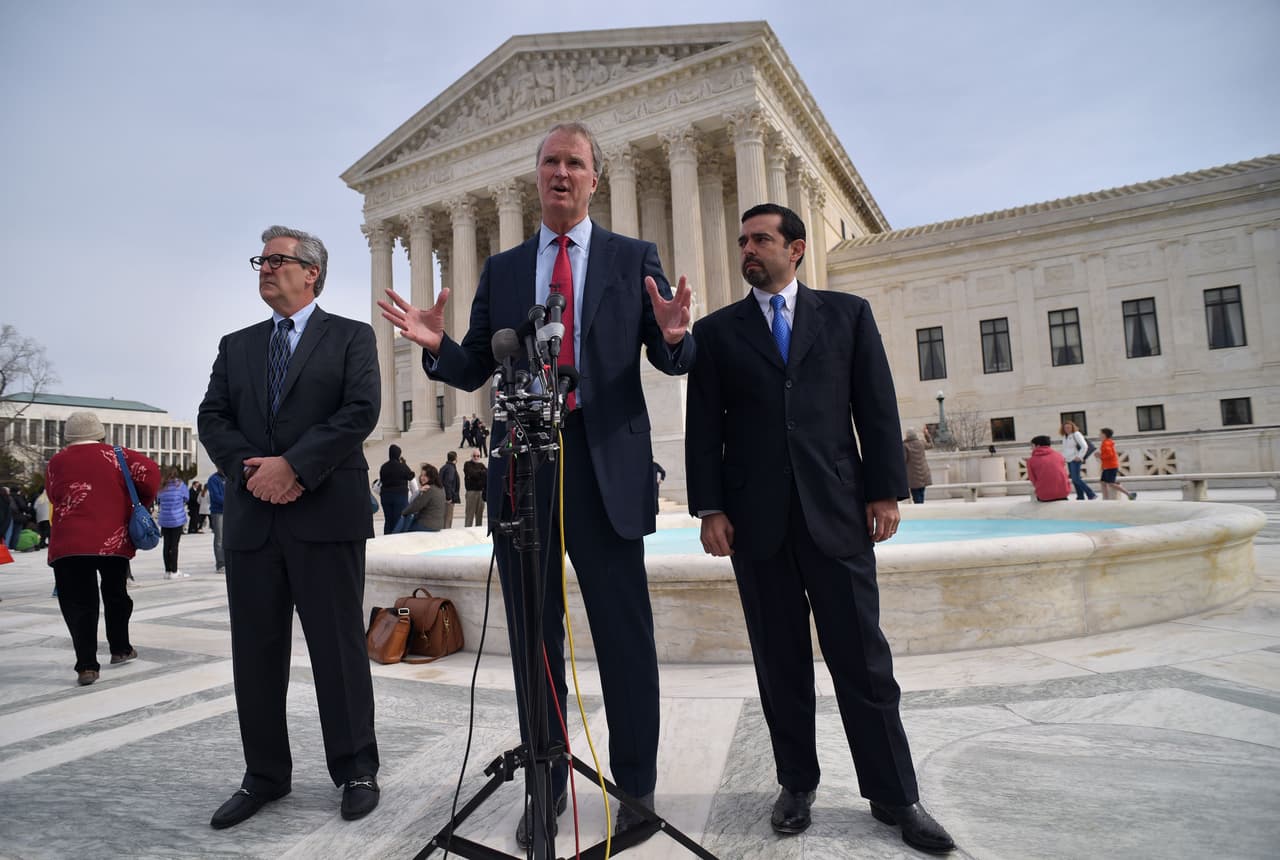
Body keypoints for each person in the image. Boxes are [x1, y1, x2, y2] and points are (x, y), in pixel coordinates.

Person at [378, 120, 695, 845]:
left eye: (574, 163)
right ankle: (545, 783)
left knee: (624, 636)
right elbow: (474, 367)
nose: (560, 172)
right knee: (533, 641)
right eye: (550, 161)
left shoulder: (631, 257)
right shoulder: (506, 269)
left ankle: (636, 790)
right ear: (537, 175)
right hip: (525, 466)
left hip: (604, 464)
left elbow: (668, 356)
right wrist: (436, 345)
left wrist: (676, 337)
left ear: (594, 179)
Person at [685, 203, 955, 854]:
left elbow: (875, 406)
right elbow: (704, 428)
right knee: (780, 666)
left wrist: (885, 490)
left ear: (796, 248)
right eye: (742, 241)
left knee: (864, 662)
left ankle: (895, 795)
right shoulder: (716, 333)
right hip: (757, 527)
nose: (748, 250)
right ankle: (795, 785)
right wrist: (710, 509)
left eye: (761, 239)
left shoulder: (847, 315)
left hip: (837, 514)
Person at [197, 224, 382, 829]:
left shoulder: (351, 337)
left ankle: (356, 769)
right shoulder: (237, 345)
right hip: (254, 519)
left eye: (278, 260)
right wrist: (254, 471)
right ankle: (265, 775)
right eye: (262, 260)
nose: (267, 268)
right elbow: (212, 417)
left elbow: (359, 411)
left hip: (325, 514)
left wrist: (293, 466)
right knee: (255, 653)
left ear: (312, 272)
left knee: (338, 650)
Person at [45, 410, 159, 686]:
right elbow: (151, 475)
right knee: (115, 593)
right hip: (112, 537)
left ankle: (86, 666)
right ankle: (120, 648)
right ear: (100, 433)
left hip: (69, 541)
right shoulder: (118, 455)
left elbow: (53, 494)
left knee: (79, 602)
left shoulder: (56, 461)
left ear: (69, 435)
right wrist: (136, 502)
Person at [156, 468, 189, 580]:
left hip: (165, 519)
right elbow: (186, 498)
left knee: (166, 545)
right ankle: (174, 570)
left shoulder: (161, 487)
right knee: (174, 545)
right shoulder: (180, 485)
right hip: (177, 519)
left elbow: (158, 500)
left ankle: (167, 571)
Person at [378, 444, 414, 535]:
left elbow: (382, 479)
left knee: (388, 520)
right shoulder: (402, 466)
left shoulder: (384, 467)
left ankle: (387, 537)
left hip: (386, 496)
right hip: (400, 496)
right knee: (398, 520)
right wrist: (405, 464)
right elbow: (411, 476)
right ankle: (395, 538)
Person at [399, 464, 447, 532]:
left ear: (431, 476)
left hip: (427, 525)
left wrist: (403, 512)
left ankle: (394, 536)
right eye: (421, 475)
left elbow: (415, 506)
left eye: (425, 475)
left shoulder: (428, 489)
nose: (422, 478)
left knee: (405, 527)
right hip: (438, 524)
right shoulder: (441, 488)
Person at [1027, 435, 1071, 501]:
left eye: (1032, 446)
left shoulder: (1031, 460)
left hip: (1044, 495)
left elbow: (1033, 479)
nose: (1031, 448)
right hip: (1063, 493)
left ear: (1038, 446)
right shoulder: (1059, 456)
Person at [1097, 427, 1137, 500]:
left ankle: (1129, 494)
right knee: (1103, 482)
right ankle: (1105, 498)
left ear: (1104, 435)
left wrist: (1100, 456)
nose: (1099, 435)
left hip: (1110, 466)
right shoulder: (1107, 442)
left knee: (1111, 483)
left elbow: (1110, 455)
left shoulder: (1106, 443)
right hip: (1108, 466)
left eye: (1100, 433)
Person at [1060, 421, 1096, 500]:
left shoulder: (1076, 434)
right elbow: (1065, 449)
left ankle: (1091, 494)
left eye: (1069, 427)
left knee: (1076, 479)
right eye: (1065, 428)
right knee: (1074, 479)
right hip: (1069, 460)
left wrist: (1079, 456)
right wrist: (1063, 458)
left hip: (1075, 459)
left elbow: (1084, 446)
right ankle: (1080, 496)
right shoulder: (1065, 437)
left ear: (1072, 427)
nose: (1067, 429)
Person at [903, 428, 932, 504]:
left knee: (916, 496)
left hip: (913, 477)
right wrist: (926, 435)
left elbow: (904, 459)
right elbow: (931, 445)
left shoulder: (905, 446)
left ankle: (920, 508)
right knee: (921, 494)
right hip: (923, 474)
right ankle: (921, 506)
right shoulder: (921, 443)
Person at [207, 468, 226, 573]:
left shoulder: (228, 477)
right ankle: (221, 563)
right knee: (219, 538)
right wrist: (231, 501)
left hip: (230, 511)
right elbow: (216, 497)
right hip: (219, 512)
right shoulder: (213, 479)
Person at [463, 450, 486, 527]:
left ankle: (478, 530)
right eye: (474, 456)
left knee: (479, 515)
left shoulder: (481, 465)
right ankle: (467, 529)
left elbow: (486, 474)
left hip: (480, 492)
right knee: (469, 514)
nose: (476, 457)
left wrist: (479, 474)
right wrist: (481, 473)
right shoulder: (467, 464)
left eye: (478, 456)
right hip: (471, 492)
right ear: (471, 456)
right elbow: (471, 473)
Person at [439, 451, 460, 528]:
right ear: (455, 458)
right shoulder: (450, 468)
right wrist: (449, 497)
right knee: (447, 520)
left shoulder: (444, 467)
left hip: (443, 496)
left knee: (444, 519)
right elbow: (448, 482)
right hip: (448, 499)